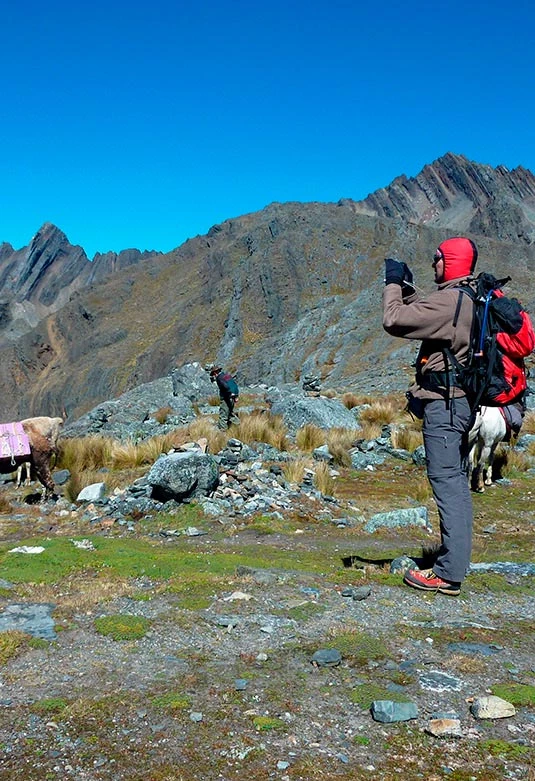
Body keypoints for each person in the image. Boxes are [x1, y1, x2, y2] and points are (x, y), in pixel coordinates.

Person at [382, 237, 479, 596]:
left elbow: (394, 320)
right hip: (460, 404)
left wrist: (392, 284)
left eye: (437, 258)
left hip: (445, 405)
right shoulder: (466, 297)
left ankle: (448, 573)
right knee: (456, 482)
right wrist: (409, 291)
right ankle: (456, 560)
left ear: (451, 261)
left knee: (447, 484)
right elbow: (426, 314)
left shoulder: (452, 300)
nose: (433, 263)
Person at [206, 364, 240, 430]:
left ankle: (222, 430)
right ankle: (239, 426)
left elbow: (225, 386)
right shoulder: (227, 376)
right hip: (233, 396)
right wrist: (235, 396)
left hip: (226, 397)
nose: (213, 376)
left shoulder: (219, 378)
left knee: (223, 414)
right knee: (230, 413)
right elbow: (234, 385)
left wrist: (229, 393)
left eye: (213, 374)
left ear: (215, 372)